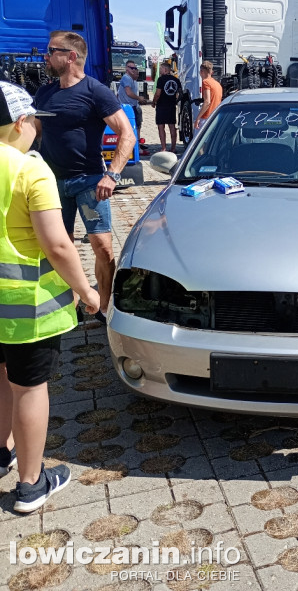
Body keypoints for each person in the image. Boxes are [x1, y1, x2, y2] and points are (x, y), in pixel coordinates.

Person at [0, 81, 100, 513]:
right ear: (21, 122)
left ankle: (1, 454)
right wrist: (87, 291)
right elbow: (58, 246)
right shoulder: (29, 170)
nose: (38, 130)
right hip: (27, 310)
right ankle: (30, 483)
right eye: (35, 122)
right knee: (28, 388)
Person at [34, 31, 136, 324]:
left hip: (91, 183)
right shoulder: (45, 93)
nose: (46, 56)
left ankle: (104, 306)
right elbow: (34, 133)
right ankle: (72, 304)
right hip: (51, 184)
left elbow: (126, 134)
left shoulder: (95, 91)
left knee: (102, 248)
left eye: (52, 51)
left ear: (71, 56)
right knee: (59, 246)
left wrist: (112, 175)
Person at [118, 60, 149, 155]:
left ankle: (137, 145)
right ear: (127, 69)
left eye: (135, 68)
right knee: (133, 127)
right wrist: (139, 98)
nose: (134, 70)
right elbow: (129, 93)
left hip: (133, 106)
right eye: (132, 68)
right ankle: (136, 148)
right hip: (128, 108)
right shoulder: (126, 78)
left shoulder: (133, 80)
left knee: (137, 126)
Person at [152, 62, 181, 152]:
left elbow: (157, 94)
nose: (160, 71)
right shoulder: (176, 80)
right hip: (171, 106)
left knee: (161, 127)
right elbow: (180, 93)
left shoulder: (161, 80)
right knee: (172, 127)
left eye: (160, 69)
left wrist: (154, 102)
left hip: (161, 106)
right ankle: (173, 147)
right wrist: (176, 101)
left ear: (165, 69)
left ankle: (163, 148)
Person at [194, 60, 223, 134]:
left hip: (206, 116)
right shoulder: (217, 84)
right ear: (211, 72)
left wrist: (198, 118)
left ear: (201, 71)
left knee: (199, 141)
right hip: (215, 116)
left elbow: (207, 101)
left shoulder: (206, 82)